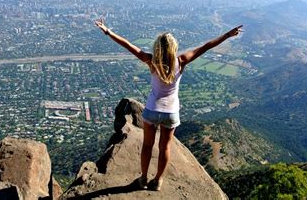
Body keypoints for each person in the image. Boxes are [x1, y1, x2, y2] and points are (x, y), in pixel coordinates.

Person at [95, 19, 243, 191]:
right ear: (173, 47)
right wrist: (227, 35)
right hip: (171, 113)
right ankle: (158, 181)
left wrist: (108, 31)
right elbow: (206, 46)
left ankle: (143, 178)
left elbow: (127, 45)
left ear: (157, 47)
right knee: (164, 147)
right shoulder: (181, 61)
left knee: (147, 146)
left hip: (151, 111)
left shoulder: (151, 61)